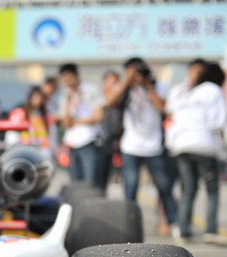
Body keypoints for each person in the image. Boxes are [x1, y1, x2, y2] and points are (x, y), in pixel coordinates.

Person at [105, 57, 178, 235]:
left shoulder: (157, 86)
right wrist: (127, 82)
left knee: (164, 187)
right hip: (130, 146)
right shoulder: (124, 88)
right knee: (130, 188)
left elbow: (163, 108)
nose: (135, 76)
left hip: (154, 147)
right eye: (131, 72)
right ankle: (129, 225)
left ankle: (173, 223)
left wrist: (148, 87)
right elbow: (109, 102)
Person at [167, 61, 226, 245]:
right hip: (203, 145)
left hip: (181, 145)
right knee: (212, 189)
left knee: (188, 189)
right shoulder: (212, 90)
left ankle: (183, 230)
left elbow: (173, 118)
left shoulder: (187, 92)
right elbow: (216, 121)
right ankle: (210, 230)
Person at [58, 63, 102, 185]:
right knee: (75, 183)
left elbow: (98, 116)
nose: (67, 82)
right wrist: (67, 101)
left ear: (76, 75)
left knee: (90, 182)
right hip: (72, 143)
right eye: (64, 79)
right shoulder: (65, 95)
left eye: (69, 78)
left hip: (88, 141)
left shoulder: (90, 90)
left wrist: (76, 121)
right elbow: (66, 123)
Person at [94, 70, 121, 192]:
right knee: (98, 180)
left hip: (118, 142)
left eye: (117, 82)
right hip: (100, 144)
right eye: (112, 82)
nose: (115, 85)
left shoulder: (122, 99)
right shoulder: (98, 98)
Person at [5, 86, 51, 155]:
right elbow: (12, 134)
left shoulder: (42, 114)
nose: (39, 100)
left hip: (38, 150)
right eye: (36, 97)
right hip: (21, 149)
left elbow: (45, 136)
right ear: (30, 97)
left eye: (41, 97)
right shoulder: (20, 112)